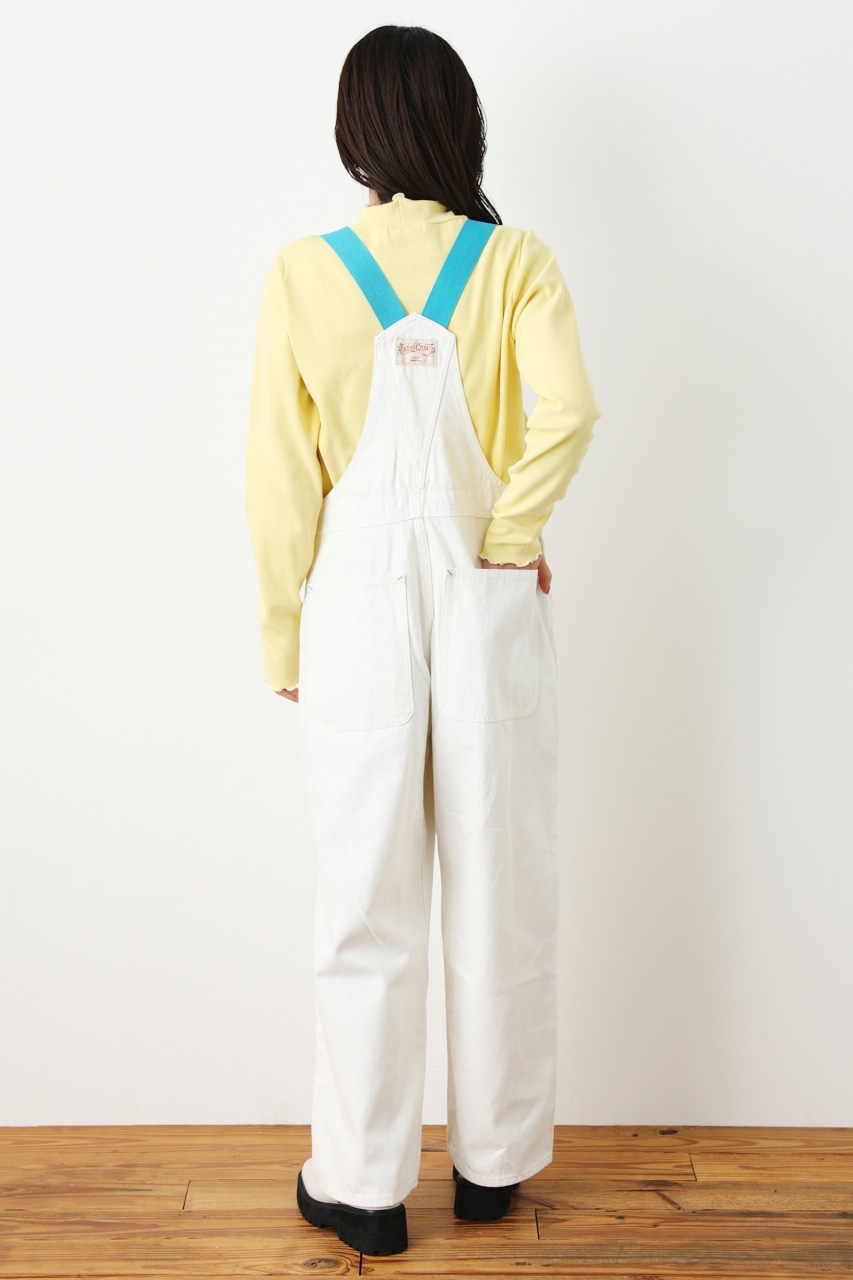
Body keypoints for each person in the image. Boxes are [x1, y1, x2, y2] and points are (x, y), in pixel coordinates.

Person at [244, 24, 602, 1257]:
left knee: (364, 892)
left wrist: (283, 632)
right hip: (485, 593)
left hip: (353, 601)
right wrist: (508, 533)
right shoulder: (516, 262)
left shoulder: (302, 273)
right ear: (462, 124)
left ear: (356, 133)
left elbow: (278, 480)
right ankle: (493, 1166)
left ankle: (361, 1185)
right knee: (502, 878)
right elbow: (571, 410)